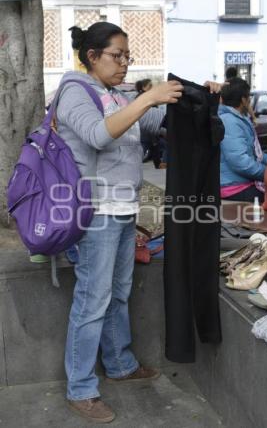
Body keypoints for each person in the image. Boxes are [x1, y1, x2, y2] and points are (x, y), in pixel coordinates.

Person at [55, 21, 183, 423]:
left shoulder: (116, 94)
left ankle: (120, 364)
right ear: (91, 57)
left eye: (128, 56)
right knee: (93, 300)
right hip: (96, 212)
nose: (125, 63)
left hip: (124, 210)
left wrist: (186, 95)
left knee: (119, 293)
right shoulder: (74, 91)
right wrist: (146, 101)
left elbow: (149, 124)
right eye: (117, 56)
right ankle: (80, 388)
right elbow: (96, 135)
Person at [219, 77, 267, 203]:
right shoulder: (230, 122)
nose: (250, 101)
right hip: (233, 187)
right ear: (243, 100)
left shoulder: (238, 118)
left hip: (241, 182)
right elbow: (240, 162)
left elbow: (255, 154)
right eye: (249, 97)